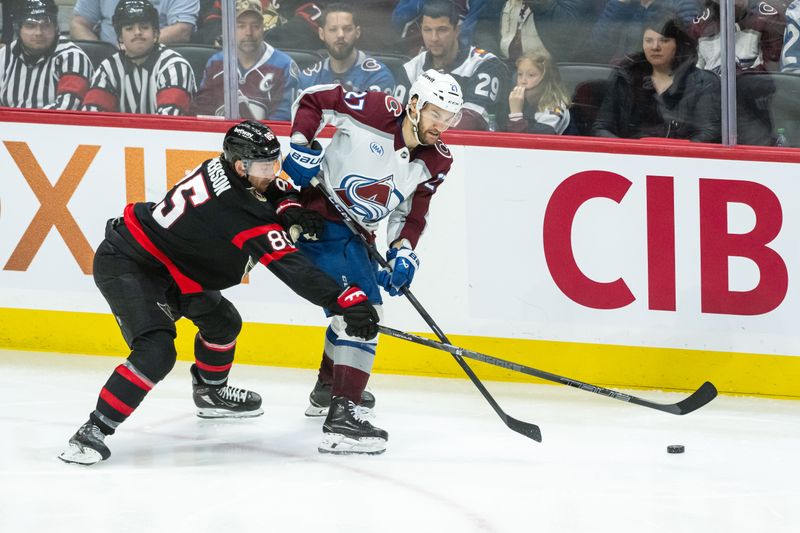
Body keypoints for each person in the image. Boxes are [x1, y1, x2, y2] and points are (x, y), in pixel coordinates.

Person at [58, 120, 380, 465]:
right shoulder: (236, 209)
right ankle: (91, 432)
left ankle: (211, 393)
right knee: (157, 351)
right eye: (263, 166)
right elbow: (291, 267)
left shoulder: (226, 169)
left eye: (275, 162)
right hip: (132, 263)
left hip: (176, 267)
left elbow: (274, 187)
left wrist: (288, 204)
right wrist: (342, 299)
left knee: (223, 322)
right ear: (241, 166)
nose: (271, 172)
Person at [280, 69, 463, 455]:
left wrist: (403, 251)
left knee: (350, 314)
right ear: (414, 104)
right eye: (435, 114)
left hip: (358, 235)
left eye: (449, 118)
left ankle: (328, 389)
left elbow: (412, 214)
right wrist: (300, 144)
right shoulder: (377, 111)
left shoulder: (438, 161)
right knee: (362, 311)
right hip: (317, 218)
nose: (441, 126)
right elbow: (315, 99)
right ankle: (342, 419)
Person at [592, 10, 721, 142]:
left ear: (677, 44)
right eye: (649, 40)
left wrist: (673, 154)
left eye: (664, 41)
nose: (655, 47)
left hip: (681, 159)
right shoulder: (626, 77)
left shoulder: (703, 82)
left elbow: (709, 132)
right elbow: (601, 127)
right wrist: (629, 151)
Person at [398, 0, 507, 130]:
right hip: (421, 147)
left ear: (457, 30)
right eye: (427, 30)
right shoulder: (410, 69)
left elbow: (471, 121)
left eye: (442, 30)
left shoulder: (485, 64)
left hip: (472, 147)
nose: (434, 38)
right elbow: (397, 119)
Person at [80, 0, 195, 115]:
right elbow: (92, 116)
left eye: (144, 27)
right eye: (129, 28)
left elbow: (170, 123)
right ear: (120, 37)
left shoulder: (175, 67)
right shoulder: (108, 68)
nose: (137, 32)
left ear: (155, 33)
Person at [190, 0, 299, 121]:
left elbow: (282, 122)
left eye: (255, 26)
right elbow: (201, 113)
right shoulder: (215, 63)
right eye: (241, 26)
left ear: (263, 28)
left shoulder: (284, 66)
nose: (248, 33)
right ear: (229, 28)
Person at [0, 0, 93, 109]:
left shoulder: (73, 58)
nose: (38, 33)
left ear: (56, 27)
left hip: (56, 125)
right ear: (18, 28)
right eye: (30, 26)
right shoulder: (4, 56)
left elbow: (69, 108)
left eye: (46, 25)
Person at [299, 2, 395, 94]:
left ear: (357, 33)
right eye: (333, 29)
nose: (340, 35)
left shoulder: (378, 76)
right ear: (321, 33)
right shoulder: (308, 78)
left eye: (347, 29)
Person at [588, 0, 699, 65]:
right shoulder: (623, 4)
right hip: (627, 76)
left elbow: (690, 49)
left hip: (665, 77)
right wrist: (620, 5)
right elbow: (597, 48)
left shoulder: (682, 4)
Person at [70, 0, 198, 47]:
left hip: (159, 57)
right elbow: (79, 24)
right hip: (107, 58)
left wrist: (132, 47)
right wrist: (101, 51)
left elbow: (182, 30)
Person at [502, 50, 570, 133]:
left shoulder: (555, 107)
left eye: (531, 75)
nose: (523, 81)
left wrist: (515, 114)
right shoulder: (518, 101)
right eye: (520, 74)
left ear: (546, 79)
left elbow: (532, 142)